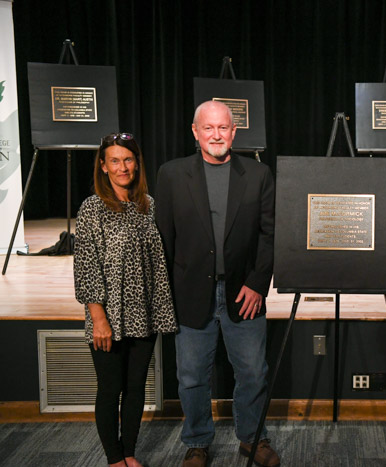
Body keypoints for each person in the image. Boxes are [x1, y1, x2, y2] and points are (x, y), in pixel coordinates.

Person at [155, 100, 277, 467]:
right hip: (191, 292)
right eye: (208, 128)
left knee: (253, 372)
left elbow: (270, 235)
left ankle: (252, 439)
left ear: (234, 132)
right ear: (195, 132)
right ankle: (196, 442)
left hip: (245, 292)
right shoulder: (171, 175)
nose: (216, 134)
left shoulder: (258, 174)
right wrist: (168, 295)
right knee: (191, 376)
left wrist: (258, 283)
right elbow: (164, 239)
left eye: (223, 128)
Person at [74, 132, 178, 467]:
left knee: (135, 389)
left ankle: (129, 452)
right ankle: (113, 458)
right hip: (108, 316)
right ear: (103, 166)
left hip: (143, 316)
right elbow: (87, 267)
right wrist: (99, 318)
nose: (123, 167)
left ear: (137, 163)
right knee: (110, 389)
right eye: (115, 161)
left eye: (128, 159)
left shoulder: (148, 205)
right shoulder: (92, 209)